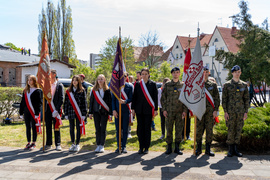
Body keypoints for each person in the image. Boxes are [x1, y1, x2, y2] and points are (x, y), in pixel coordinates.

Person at [222, 65, 249, 157]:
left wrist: (246, 112)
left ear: (240, 73)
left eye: (239, 72)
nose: (237, 74)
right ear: (232, 73)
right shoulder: (227, 85)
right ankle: (230, 149)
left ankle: (236, 149)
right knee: (230, 130)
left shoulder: (244, 85)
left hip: (240, 112)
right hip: (230, 112)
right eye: (235, 72)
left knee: (238, 130)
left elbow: (246, 99)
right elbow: (224, 99)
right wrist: (225, 112)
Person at [161, 67, 187, 155]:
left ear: (179, 74)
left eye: (177, 72)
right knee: (169, 129)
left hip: (179, 112)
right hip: (169, 111)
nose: (176, 74)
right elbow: (163, 98)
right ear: (171, 74)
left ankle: (177, 148)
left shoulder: (183, 85)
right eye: (174, 72)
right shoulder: (167, 85)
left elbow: (185, 99)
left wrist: (185, 111)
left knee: (179, 130)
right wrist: (164, 109)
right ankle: (169, 147)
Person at [132, 68, 158, 154]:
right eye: (142, 74)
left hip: (148, 110)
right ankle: (141, 146)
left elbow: (155, 98)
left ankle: (146, 147)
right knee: (140, 129)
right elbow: (134, 97)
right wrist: (133, 109)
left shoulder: (153, 84)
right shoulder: (138, 84)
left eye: (146, 74)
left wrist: (156, 109)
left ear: (148, 74)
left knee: (147, 129)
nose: (144, 75)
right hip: (139, 110)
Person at [196, 66, 220, 156]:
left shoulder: (212, 85)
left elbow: (217, 98)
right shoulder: (197, 84)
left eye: (206, 72)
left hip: (210, 112)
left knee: (209, 130)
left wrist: (216, 110)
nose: (205, 74)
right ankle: (198, 148)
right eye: (203, 72)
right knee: (199, 130)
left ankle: (208, 149)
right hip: (200, 111)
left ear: (209, 73)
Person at [89, 74, 112, 153]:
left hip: (104, 112)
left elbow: (109, 102)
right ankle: (98, 144)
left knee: (103, 128)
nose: (100, 80)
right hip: (96, 112)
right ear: (97, 80)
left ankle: (102, 145)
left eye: (102, 79)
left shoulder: (107, 90)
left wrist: (110, 113)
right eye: (99, 79)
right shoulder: (94, 90)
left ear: (104, 80)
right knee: (97, 128)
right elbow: (91, 101)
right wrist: (90, 112)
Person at [64, 75, 87, 152]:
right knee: (71, 128)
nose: (74, 82)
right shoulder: (68, 91)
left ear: (79, 82)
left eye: (76, 80)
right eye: (73, 80)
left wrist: (84, 114)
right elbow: (65, 103)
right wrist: (66, 113)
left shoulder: (82, 90)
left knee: (78, 128)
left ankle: (77, 144)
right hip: (70, 112)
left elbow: (84, 103)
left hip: (79, 112)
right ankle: (73, 143)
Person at [43, 69, 64, 151]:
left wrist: (57, 109)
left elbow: (61, 99)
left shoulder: (59, 85)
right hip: (48, 109)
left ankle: (58, 144)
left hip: (55, 109)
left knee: (56, 127)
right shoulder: (46, 85)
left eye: (49, 74)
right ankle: (48, 143)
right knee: (48, 126)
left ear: (54, 75)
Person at [19, 75, 42, 150]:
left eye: (31, 80)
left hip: (34, 112)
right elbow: (23, 102)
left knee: (34, 127)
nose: (29, 81)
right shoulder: (25, 90)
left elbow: (39, 103)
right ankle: (28, 142)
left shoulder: (38, 91)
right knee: (27, 127)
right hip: (26, 111)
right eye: (28, 80)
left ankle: (34, 143)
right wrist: (21, 112)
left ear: (34, 81)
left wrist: (36, 113)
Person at [112, 73, 133, 153]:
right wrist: (113, 110)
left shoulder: (129, 86)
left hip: (125, 111)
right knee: (118, 130)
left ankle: (123, 146)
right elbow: (113, 100)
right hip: (117, 112)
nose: (122, 78)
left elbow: (131, 98)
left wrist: (125, 101)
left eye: (123, 77)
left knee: (125, 129)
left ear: (126, 77)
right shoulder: (115, 87)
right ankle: (119, 146)